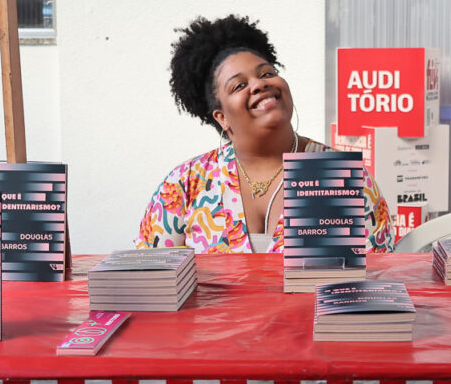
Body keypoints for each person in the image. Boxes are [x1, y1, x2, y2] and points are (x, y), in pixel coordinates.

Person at [135, 15, 394, 253]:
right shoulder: (185, 184)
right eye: (239, 85)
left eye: (267, 73)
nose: (259, 84)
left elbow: (378, 273)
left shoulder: (344, 177)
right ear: (222, 117)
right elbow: (148, 276)